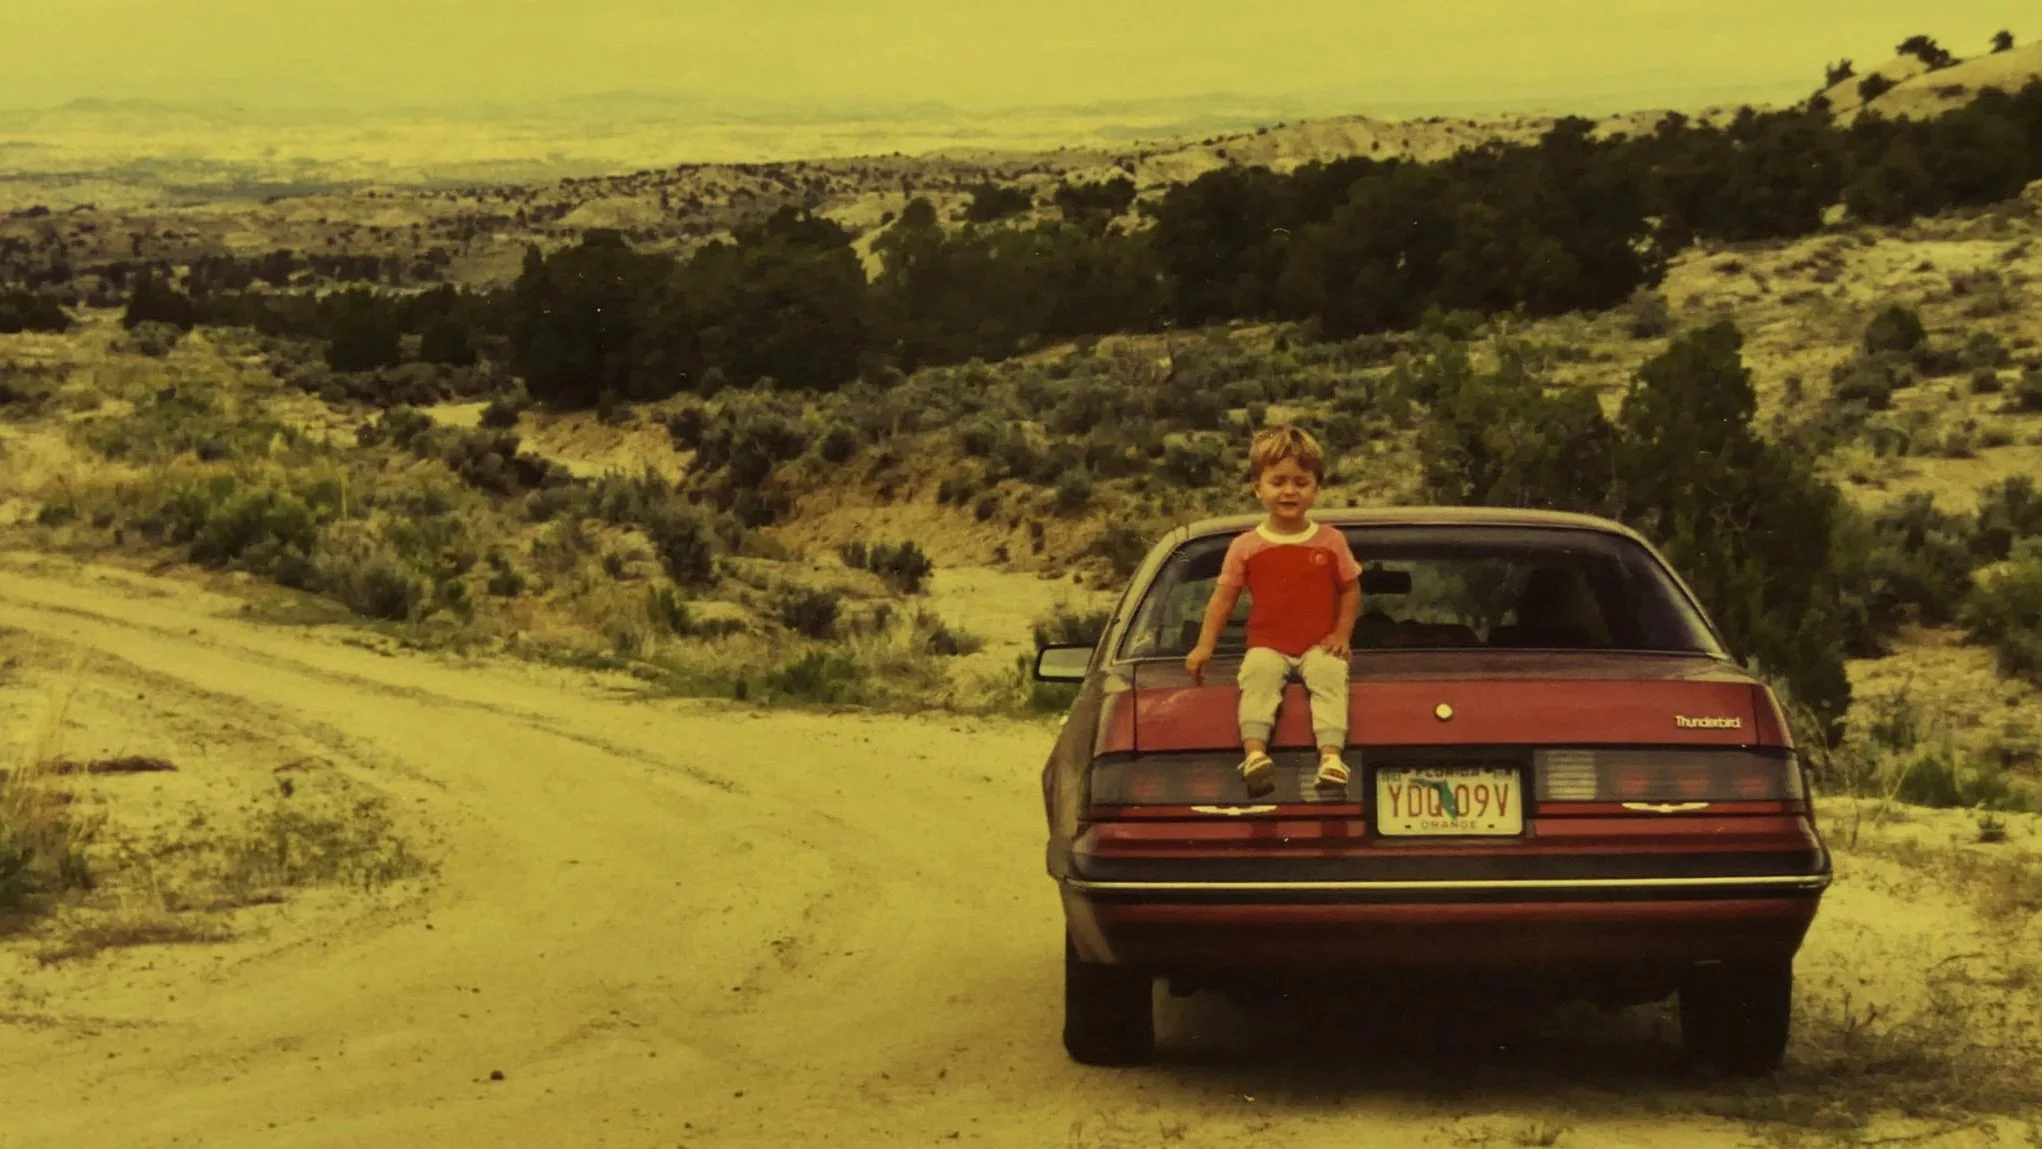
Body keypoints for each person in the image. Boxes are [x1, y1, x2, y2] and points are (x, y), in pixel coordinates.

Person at [1184, 425, 1362, 798]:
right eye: (1278, 481)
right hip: (1267, 643)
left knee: (1330, 674)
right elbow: (1222, 600)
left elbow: (1350, 589)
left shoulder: (1331, 541)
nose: (1289, 491)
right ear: (1257, 487)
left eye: (1301, 481)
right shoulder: (1246, 546)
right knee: (1257, 675)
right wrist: (1204, 647)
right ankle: (1255, 756)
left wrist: (1341, 635)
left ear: (1316, 488)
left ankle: (1330, 758)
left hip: (1318, 644)